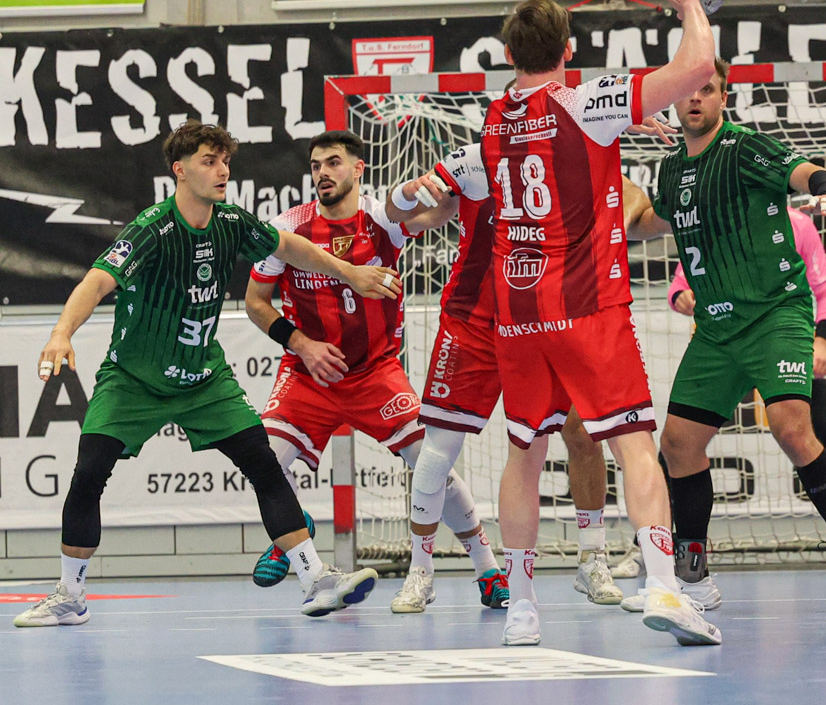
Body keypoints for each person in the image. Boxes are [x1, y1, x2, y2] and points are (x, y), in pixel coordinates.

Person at [410, 0, 722, 647]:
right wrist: (688, 4)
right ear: (570, 49)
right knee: (635, 446)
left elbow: (496, 168)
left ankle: (522, 608)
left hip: (518, 316)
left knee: (524, 453)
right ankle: (663, 586)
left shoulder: (494, 121)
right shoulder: (587, 102)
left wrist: (622, 126)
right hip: (587, 307)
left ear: (507, 55)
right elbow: (697, 65)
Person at [14, 121, 392, 628]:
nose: (222, 171)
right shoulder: (152, 227)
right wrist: (61, 333)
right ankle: (70, 596)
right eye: (209, 162)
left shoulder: (231, 222)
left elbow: (289, 246)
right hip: (133, 380)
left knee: (264, 465)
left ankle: (316, 579)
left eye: (226, 162)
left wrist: (349, 272)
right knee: (89, 474)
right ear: (180, 170)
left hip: (203, 379)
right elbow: (97, 281)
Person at [627, 58, 826, 612]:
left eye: (707, 89)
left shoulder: (744, 147)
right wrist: (612, 208)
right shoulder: (670, 169)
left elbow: (801, 171)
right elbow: (652, 221)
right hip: (716, 328)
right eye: (687, 91)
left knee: (791, 428)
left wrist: (825, 186)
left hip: (775, 314)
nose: (696, 98)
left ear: (724, 97)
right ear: (674, 101)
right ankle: (693, 577)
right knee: (678, 445)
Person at [388, 146, 668, 613]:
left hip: (545, 318)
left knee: (581, 434)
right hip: (474, 323)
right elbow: (408, 216)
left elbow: (630, 196)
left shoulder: (563, 154)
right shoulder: (472, 162)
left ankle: (592, 558)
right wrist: (405, 194)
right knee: (438, 454)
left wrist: (625, 219)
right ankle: (421, 572)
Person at [243, 130, 507, 608]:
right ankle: (294, 533)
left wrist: (454, 182)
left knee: (432, 464)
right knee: (262, 462)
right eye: (316, 165)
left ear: (358, 168)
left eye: (333, 162)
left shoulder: (381, 219)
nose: (323, 173)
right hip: (309, 374)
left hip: (375, 372)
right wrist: (302, 344)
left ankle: (487, 569)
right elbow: (255, 302)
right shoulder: (287, 227)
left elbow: (441, 212)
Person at [665, 207, 826, 576]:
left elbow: (825, 290)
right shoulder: (710, 215)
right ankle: (657, 546)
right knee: (678, 444)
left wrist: (821, 341)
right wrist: (680, 296)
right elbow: (680, 283)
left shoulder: (797, 224)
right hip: (726, 344)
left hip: (779, 340)